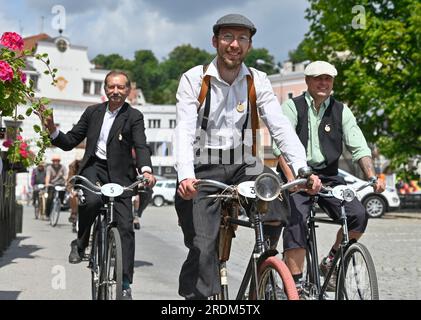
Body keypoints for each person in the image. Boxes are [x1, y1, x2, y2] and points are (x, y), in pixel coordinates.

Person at [173, 13, 321, 300]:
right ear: (215, 41)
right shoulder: (194, 78)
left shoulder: (258, 80)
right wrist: (186, 176)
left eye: (242, 38)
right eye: (228, 37)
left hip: (245, 161)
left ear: (249, 45)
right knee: (203, 243)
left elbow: (280, 126)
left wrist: (303, 169)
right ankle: (200, 296)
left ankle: (262, 271)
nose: (234, 44)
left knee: (278, 206)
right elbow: (184, 129)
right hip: (203, 162)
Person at [41, 70, 156, 300]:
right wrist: (52, 129)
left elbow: (141, 145)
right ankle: (81, 242)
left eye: (120, 87)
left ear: (128, 91)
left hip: (121, 175)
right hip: (94, 168)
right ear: (105, 89)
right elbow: (71, 140)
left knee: (125, 228)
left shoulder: (134, 116)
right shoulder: (92, 112)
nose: (115, 91)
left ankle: (124, 283)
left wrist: (146, 170)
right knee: (91, 201)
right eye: (111, 87)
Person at [273, 60, 386, 292]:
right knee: (296, 220)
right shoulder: (292, 108)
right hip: (296, 174)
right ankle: (295, 286)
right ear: (307, 81)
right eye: (318, 78)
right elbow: (281, 149)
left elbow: (360, 148)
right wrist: (295, 181)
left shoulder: (340, 110)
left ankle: (332, 260)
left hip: (329, 176)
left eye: (328, 79)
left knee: (357, 215)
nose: (323, 83)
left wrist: (373, 177)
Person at [66, 149, 84, 230]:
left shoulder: (89, 165)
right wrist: (71, 190)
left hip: (86, 185)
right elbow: (70, 179)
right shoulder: (72, 166)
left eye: (82, 161)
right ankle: (74, 216)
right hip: (75, 185)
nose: (80, 163)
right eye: (79, 161)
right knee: (73, 197)